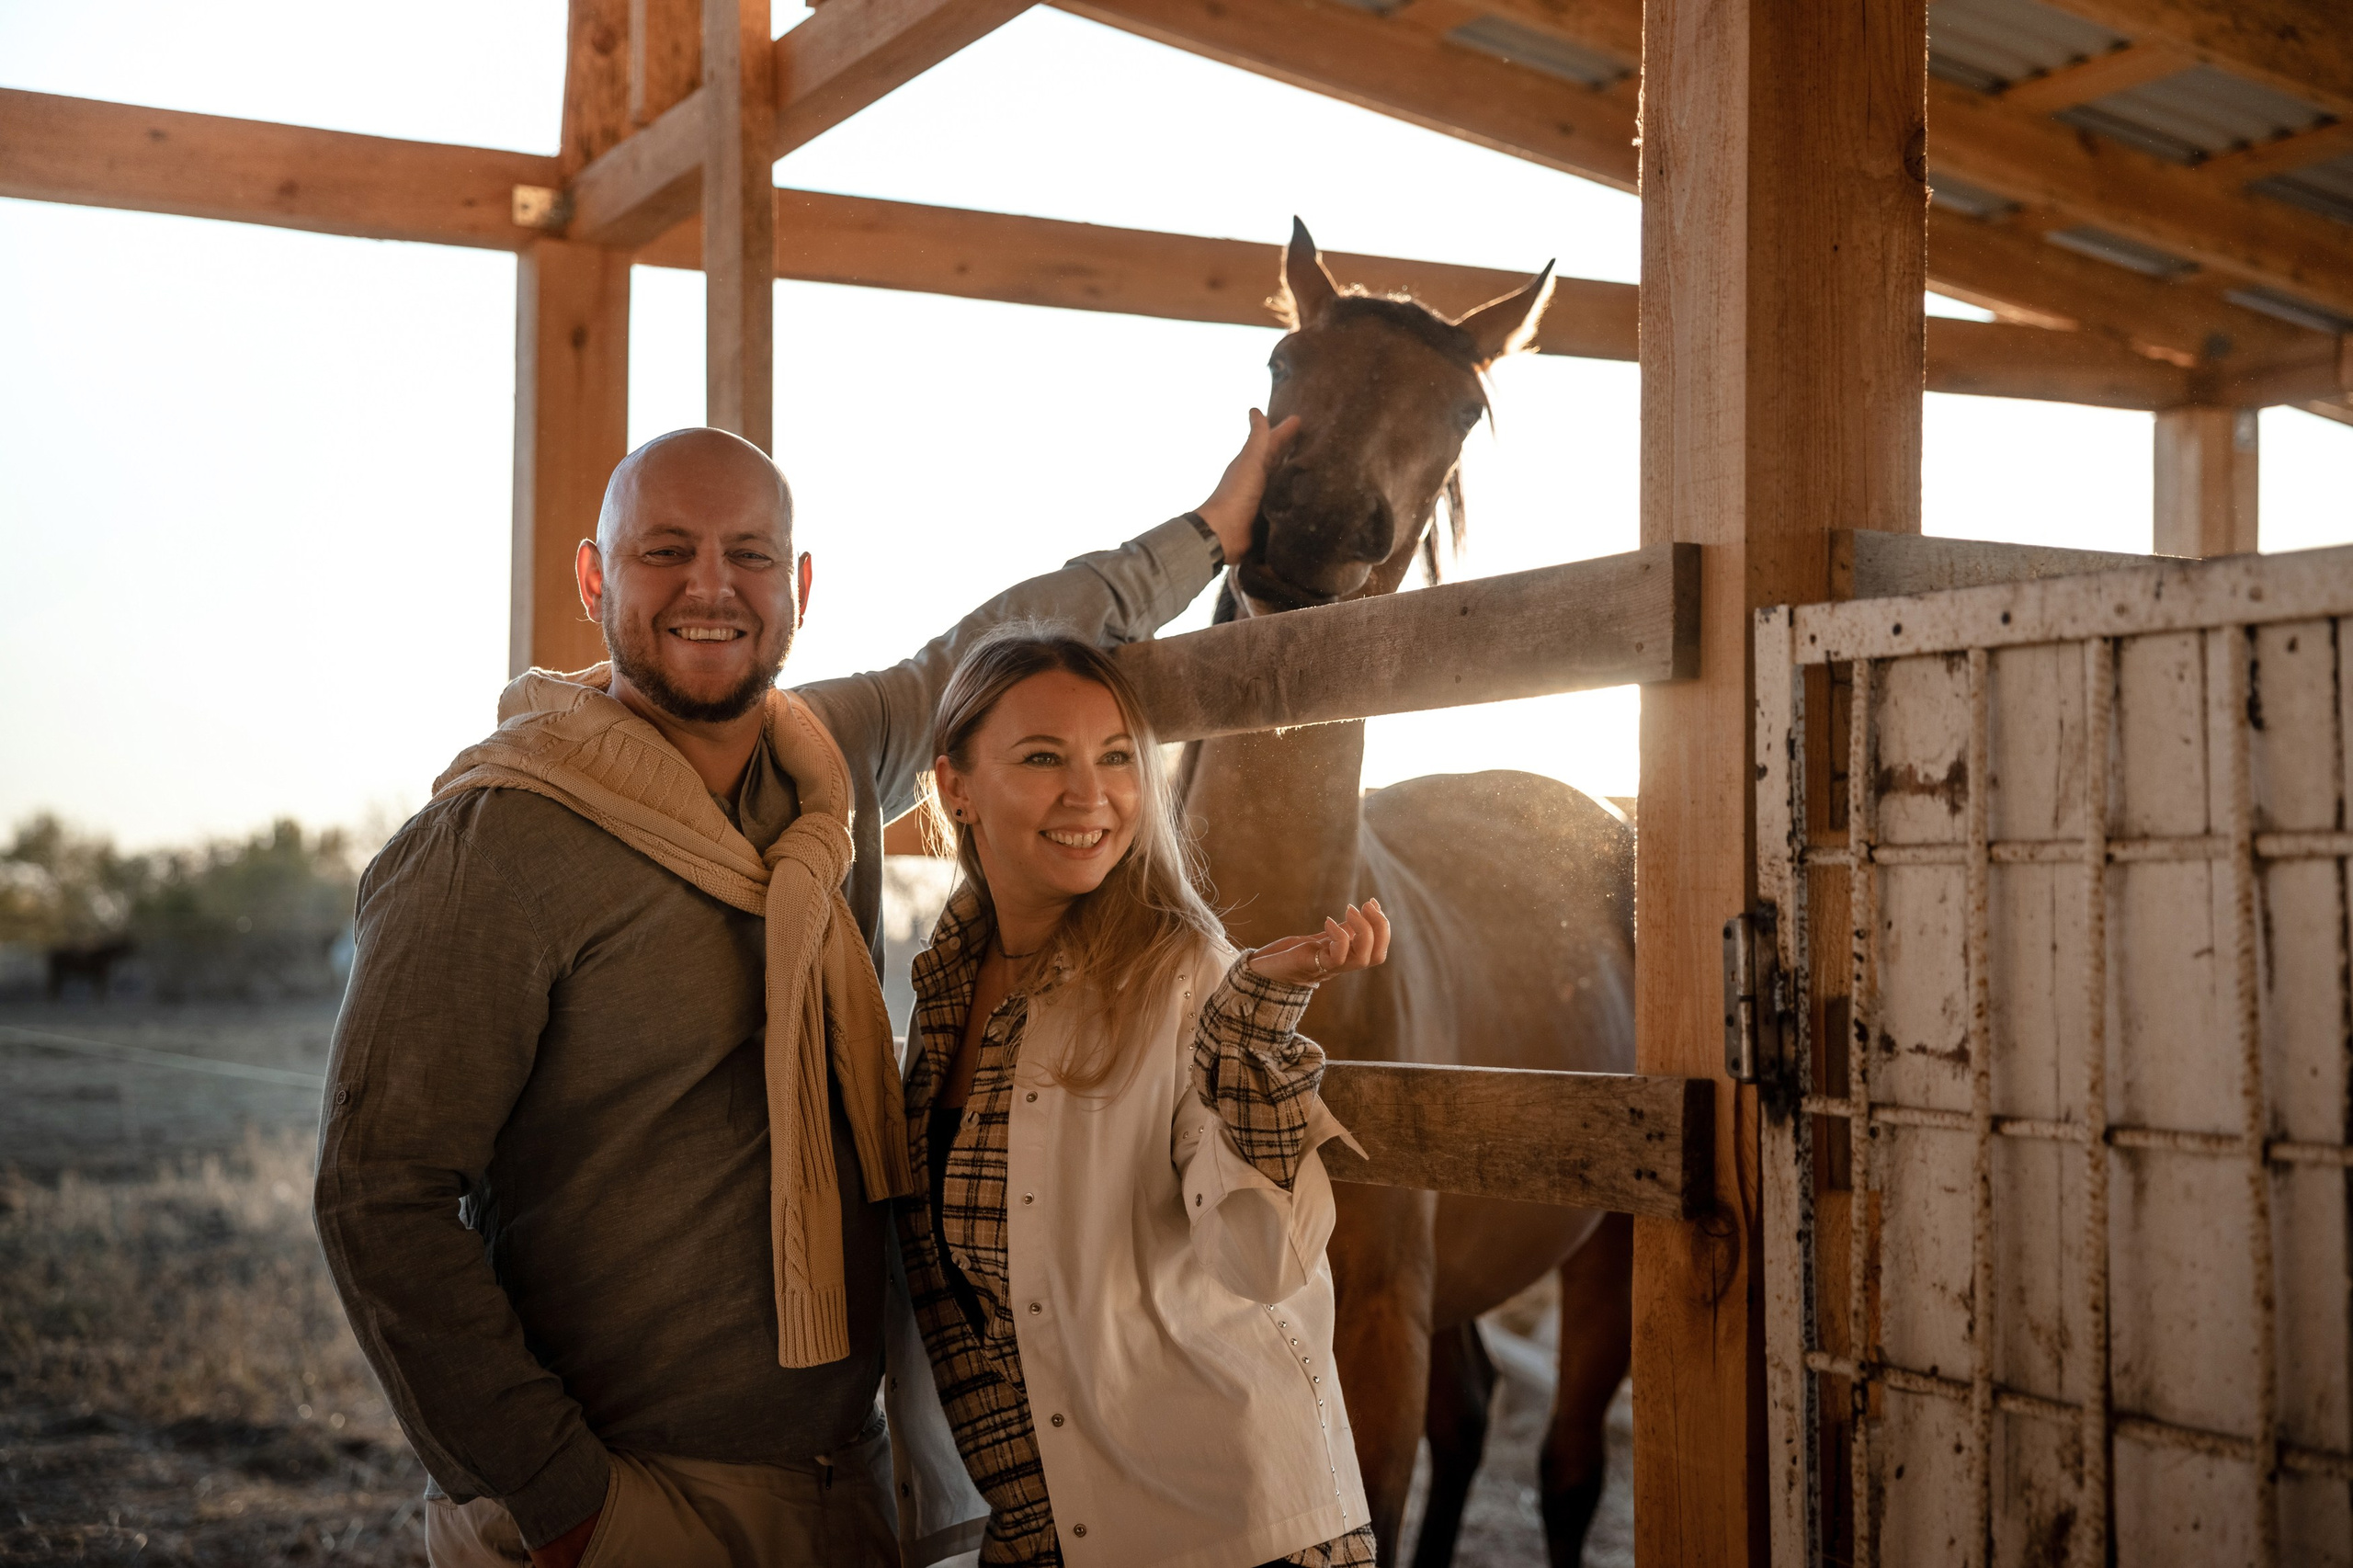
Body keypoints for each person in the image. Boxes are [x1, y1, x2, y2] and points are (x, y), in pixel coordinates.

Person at [313, 415, 1294, 1568]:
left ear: (801, 584)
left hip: (842, 1485)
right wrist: (561, 1498)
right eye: (663, 550)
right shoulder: (496, 839)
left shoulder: (823, 767)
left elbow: (1002, 641)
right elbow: (379, 1194)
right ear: (592, 577)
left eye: (751, 554)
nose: (711, 586)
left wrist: (1210, 533)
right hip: (618, 1502)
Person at [893, 629, 1390, 1567]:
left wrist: (1248, 1036)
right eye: (1043, 757)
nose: (1091, 794)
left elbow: (1262, 1259)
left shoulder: (1185, 978)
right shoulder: (944, 991)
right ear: (956, 785)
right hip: (1044, 1527)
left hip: (1226, 1529)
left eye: (1118, 757)